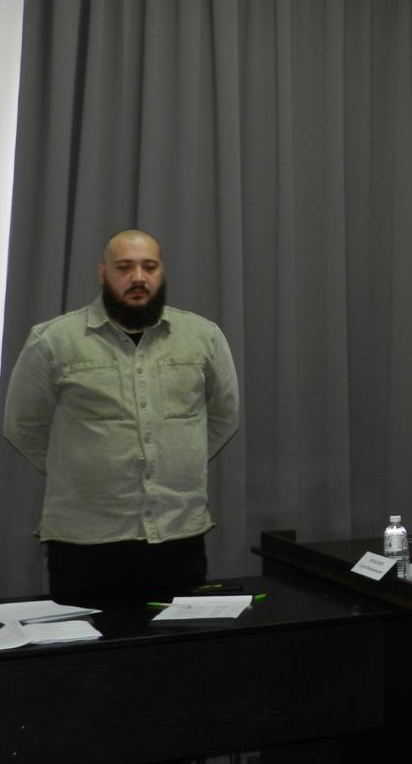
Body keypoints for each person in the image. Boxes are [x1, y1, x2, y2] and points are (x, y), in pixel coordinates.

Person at [3, 229, 240, 597]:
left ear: (162, 271)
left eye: (149, 267)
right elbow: (22, 425)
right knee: (87, 637)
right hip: (85, 543)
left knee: (180, 636)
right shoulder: (53, 340)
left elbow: (224, 416)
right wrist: (83, 468)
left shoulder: (202, 337)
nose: (138, 278)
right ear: (103, 273)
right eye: (124, 267)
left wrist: (176, 457)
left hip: (178, 537)